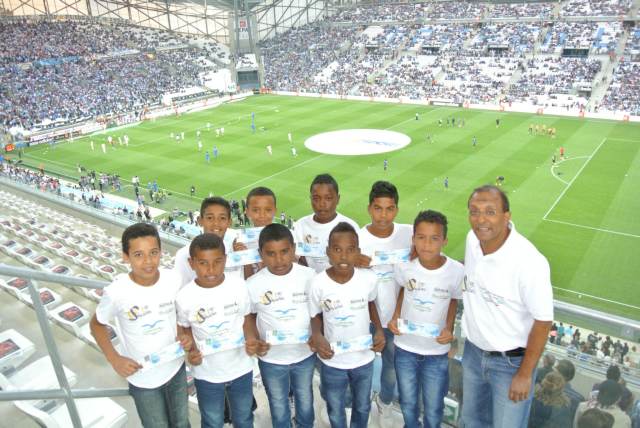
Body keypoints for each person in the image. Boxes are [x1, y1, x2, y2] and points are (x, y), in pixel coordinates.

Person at [461, 185, 553, 428]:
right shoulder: (472, 240)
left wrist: (525, 374)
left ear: (506, 216)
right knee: (471, 422)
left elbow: (543, 321)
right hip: (472, 353)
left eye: (490, 212)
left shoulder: (530, 262)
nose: (481, 220)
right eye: (474, 211)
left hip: (510, 364)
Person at [89, 223, 191, 428]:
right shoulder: (117, 292)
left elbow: (178, 314)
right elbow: (96, 325)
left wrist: (183, 334)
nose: (148, 261)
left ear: (161, 252)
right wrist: (114, 358)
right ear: (125, 257)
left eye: (153, 253)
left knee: (181, 422)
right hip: (143, 378)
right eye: (138, 255)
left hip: (175, 368)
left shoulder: (173, 280)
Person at [388, 210, 464, 428]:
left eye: (434, 238)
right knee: (408, 402)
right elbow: (403, 290)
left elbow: (453, 300)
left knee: (433, 407)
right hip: (405, 348)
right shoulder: (404, 266)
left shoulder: (457, 271)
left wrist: (449, 329)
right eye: (421, 237)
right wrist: (395, 317)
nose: (427, 244)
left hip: (436, 353)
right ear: (413, 239)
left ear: (445, 241)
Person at [308, 222, 385, 428]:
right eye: (337, 249)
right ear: (328, 252)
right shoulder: (318, 283)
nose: (343, 256)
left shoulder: (368, 279)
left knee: (362, 408)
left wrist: (378, 330)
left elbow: (371, 305)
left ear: (358, 252)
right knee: (335, 408)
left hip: (363, 360)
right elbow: (315, 315)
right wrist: (317, 335)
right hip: (333, 361)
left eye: (350, 250)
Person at [176, 233, 255, 428]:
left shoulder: (238, 286)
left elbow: (247, 320)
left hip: (241, 368)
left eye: (217, 262)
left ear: (225, 260)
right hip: (206, 373)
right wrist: (191, 352)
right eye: (203, 263)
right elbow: (184, 330)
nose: (211, 269)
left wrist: (252, 340)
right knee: (212, 421)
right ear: (191, 263)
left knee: (244, 418)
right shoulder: (184, 297)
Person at [246, 224, 317, 428]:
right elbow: (248, 316)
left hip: (304, 355)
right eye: (271, 254)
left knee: (305, 401)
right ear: (261, 254)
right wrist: (253, 338)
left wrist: (318, 335)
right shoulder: (252, 284)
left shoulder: (309, 276)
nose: (279, 260)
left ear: (293, 250)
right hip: (271, 359)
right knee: (278, 405)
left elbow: (318, 312)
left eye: (284, 252)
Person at [356, 181, 412, 421]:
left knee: (391, 368)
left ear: (397, 209)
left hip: (395, 319)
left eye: (389, 209)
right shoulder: (357, 237)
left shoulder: (408, 233)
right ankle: (359, 406)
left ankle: (385, 402)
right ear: (369, 208)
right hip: (363, 317)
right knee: (360, 367)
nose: (383, 215)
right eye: (378, 208)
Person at [173, 197, 247, 288]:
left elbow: (240, 286)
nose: (216, 223)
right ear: (200, 221)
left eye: (222, 218)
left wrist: (244, 259)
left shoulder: (234, 251)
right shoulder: (184, 255)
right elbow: (181, 291)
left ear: (229, 222)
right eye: (210, 218)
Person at [293, 173, 358, 273]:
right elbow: (296, 260)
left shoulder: (351, 227)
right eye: (316, 198)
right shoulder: (300, 226)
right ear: (310, 199)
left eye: (328, 198)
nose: (322, 204)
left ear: (338, 199)